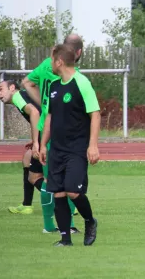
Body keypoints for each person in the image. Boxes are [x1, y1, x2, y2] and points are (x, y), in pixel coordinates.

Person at [21, 33, 85, 231]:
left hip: (48, 128)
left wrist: (45, 104)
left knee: (54, 180)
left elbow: (26, 83)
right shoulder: (70, 72)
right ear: (79, 52)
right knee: (61, 181)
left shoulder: (46, 65)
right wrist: (48, 105)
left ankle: (54, 225)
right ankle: (60, 225)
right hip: (58, 129)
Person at [40, 44, 101, 247]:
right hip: (56, 149)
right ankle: (65, 239)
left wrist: (93, 146)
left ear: (59, 61)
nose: (50, 63)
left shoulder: (82, 83)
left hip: (76, 148)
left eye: (51, 59)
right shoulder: (54, 86)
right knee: (58, 193)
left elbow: (95, 113)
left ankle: (90, 221)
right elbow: (49, 116)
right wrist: (42, 145)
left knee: (73, 191)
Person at [0, 80, 41, 215]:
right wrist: (34, 139)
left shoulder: (17, 96)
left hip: (51, 135)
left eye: (0, 89)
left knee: (35, 177)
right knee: (27, 158)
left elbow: (35, 113)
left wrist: (36, 143)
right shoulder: (22, 95)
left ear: (12, 88)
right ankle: (26, 205)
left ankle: (66, 202)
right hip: (50, 133)